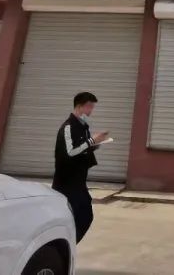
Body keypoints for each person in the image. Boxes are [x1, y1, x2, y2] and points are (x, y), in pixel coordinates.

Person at [52, 91, 110, 243]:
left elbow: (82, 148)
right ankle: (64, 244)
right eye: (89, 106)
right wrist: (91, 141)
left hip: (79, 180)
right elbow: (70, 152)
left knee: (85, 215)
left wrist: (95, 144)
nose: (91, 110)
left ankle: (69, 243)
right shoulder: (68, 127)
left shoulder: (83, 126)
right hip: (66, 183)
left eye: (92, 107)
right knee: (74, 216)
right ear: (79, 106)